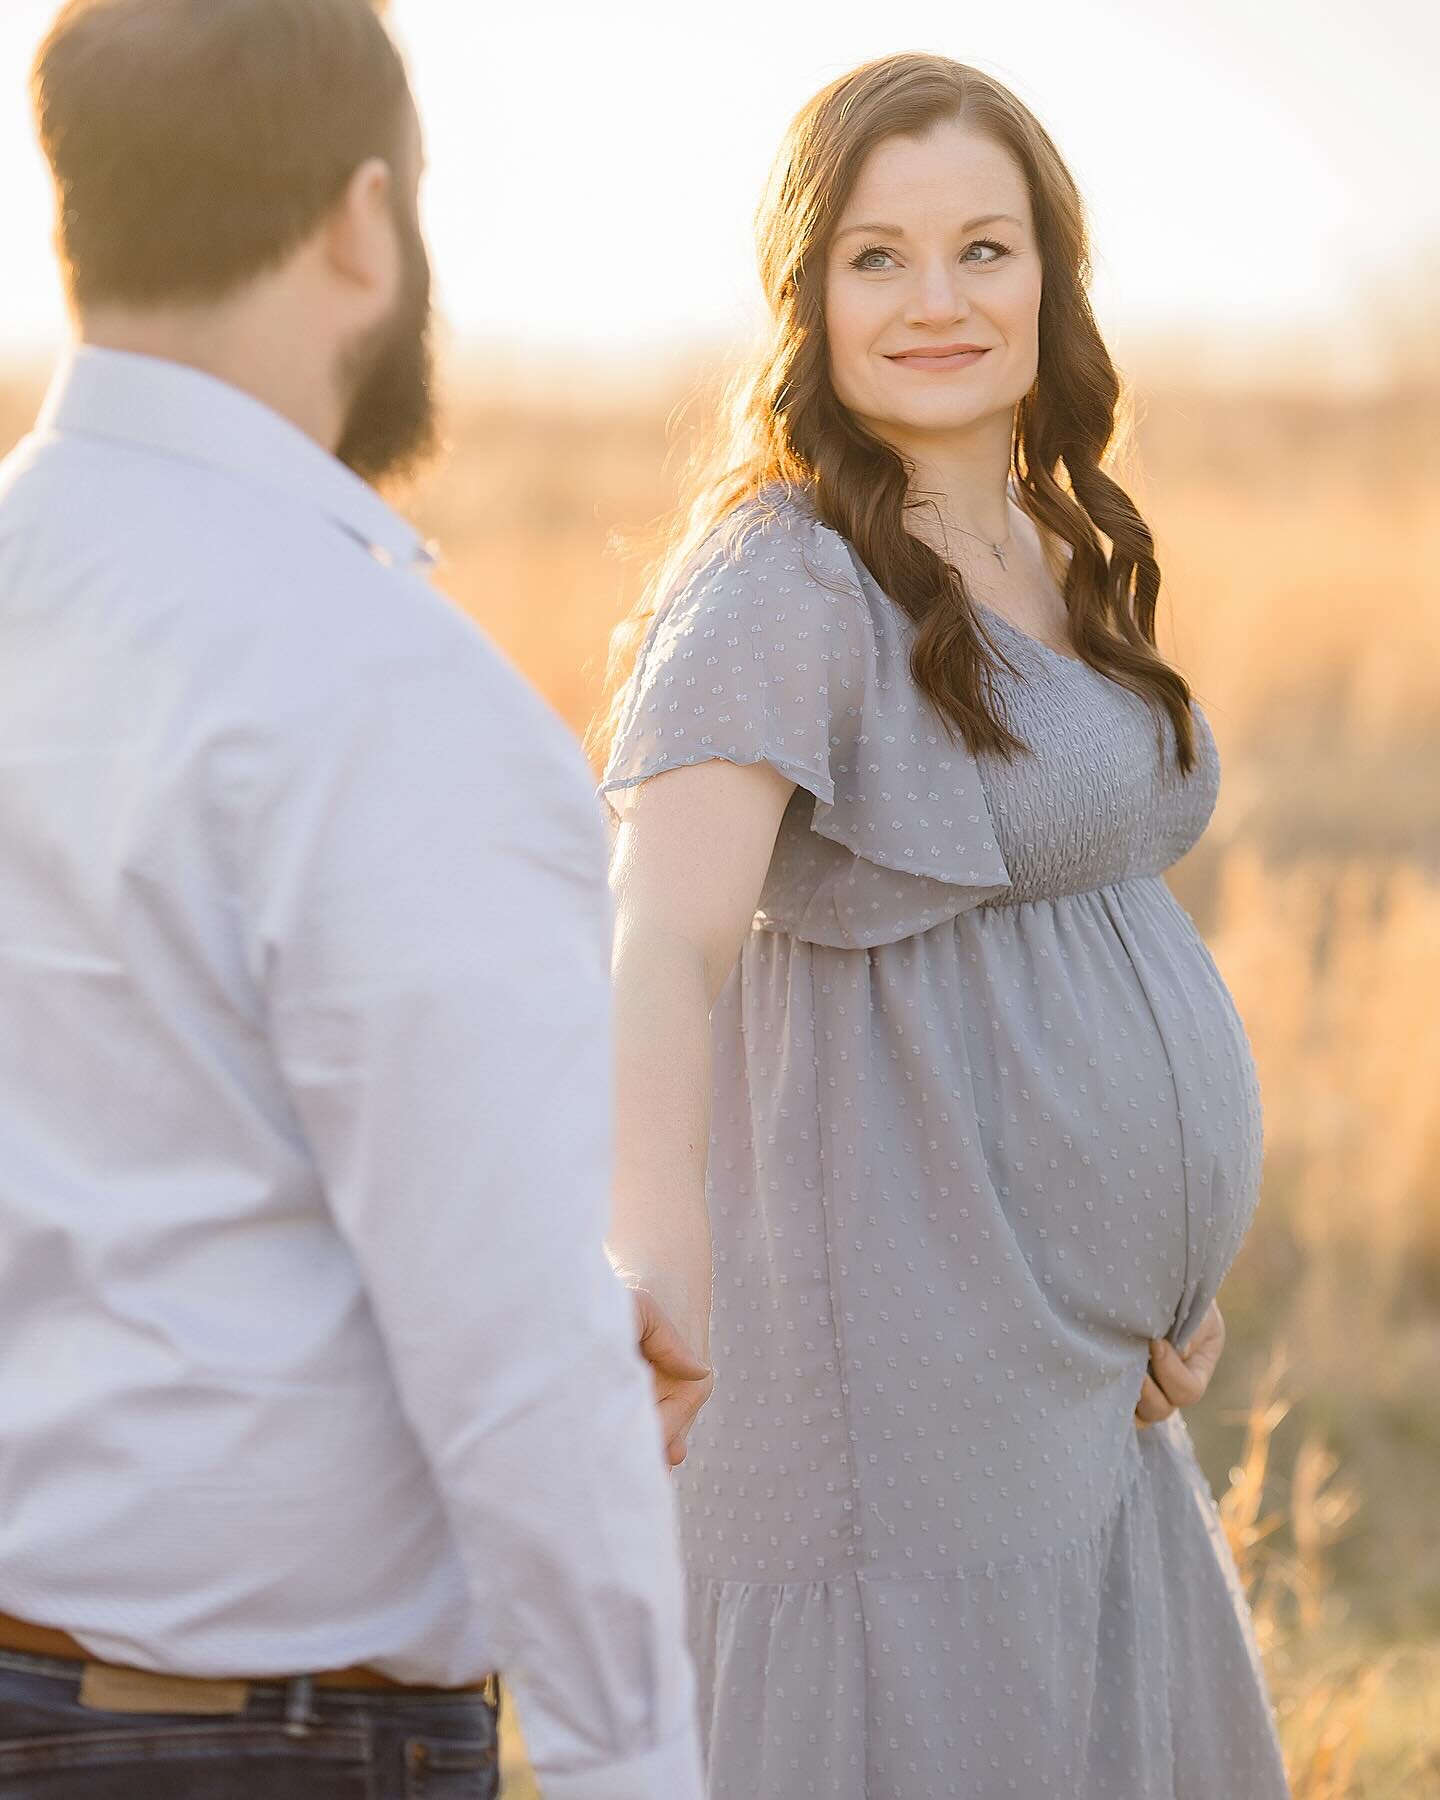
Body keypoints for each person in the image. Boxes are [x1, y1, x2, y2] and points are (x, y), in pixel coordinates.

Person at [0, 3, 706, 1796]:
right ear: (364, 222)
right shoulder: (394, 696)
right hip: (260, 1753)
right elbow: (515, 1371)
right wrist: (635, 1766)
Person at [591, 52, 1290, 1799]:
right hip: (891, 1361)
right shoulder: (784, 573)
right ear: (805, 293)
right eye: (877, 258)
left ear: (1052, 274)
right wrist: (651, 1258)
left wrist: (1165, 1272)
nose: (936, 301)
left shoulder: (1062, 551)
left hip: (1078, 1373)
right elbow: (661, 937)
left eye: (983, 248)